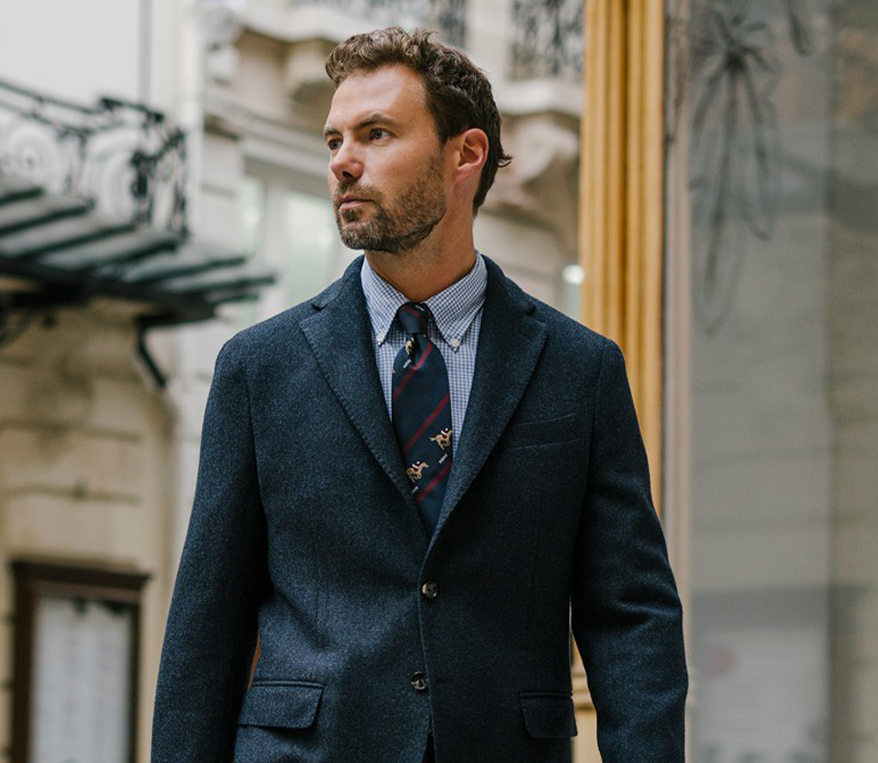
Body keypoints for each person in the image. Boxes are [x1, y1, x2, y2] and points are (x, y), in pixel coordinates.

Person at [152, 27, 686, 763]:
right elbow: (205, 628)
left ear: (464, 155)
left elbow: (631, 614)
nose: (343, 161)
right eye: (334, 139)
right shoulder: (258, 368)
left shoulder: (578, 369)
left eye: (376, 134)